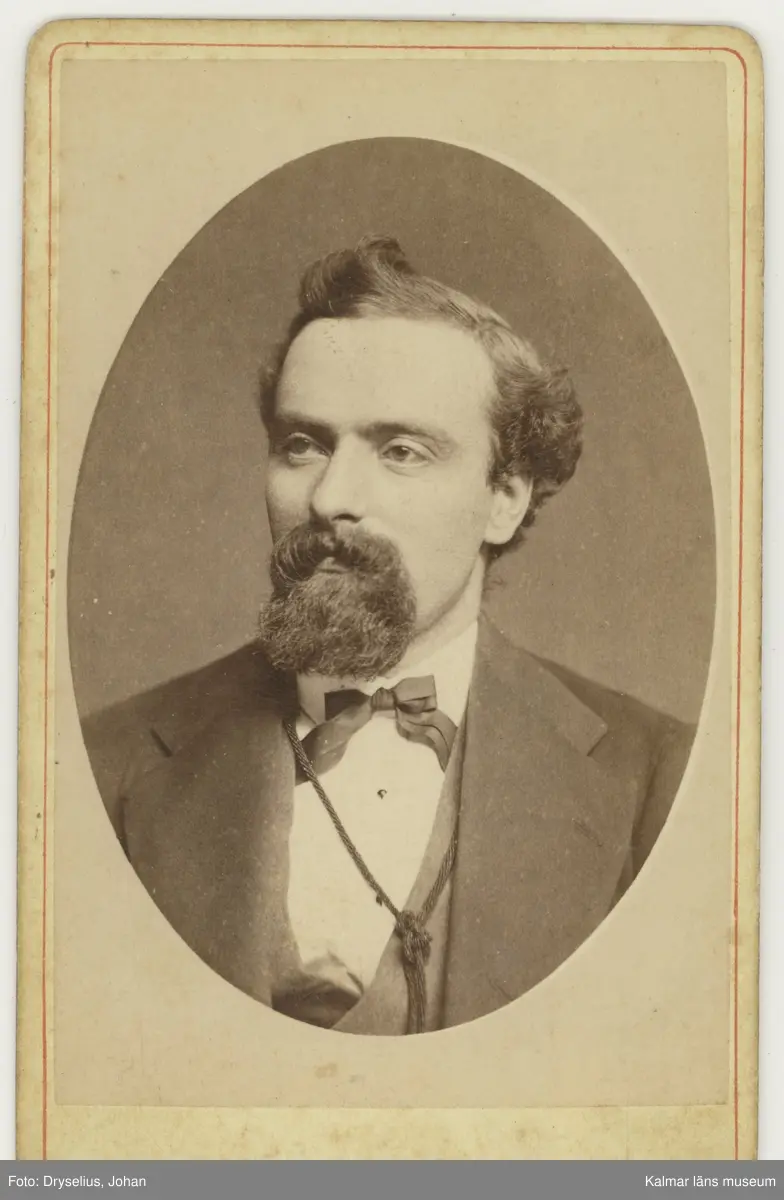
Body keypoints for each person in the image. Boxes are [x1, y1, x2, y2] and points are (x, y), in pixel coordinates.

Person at [83, 235, 695, 1036]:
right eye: (302, 445)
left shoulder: (661, 783)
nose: (330, 497)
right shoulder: (102, 766)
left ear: (505, 499)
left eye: (402, 451)